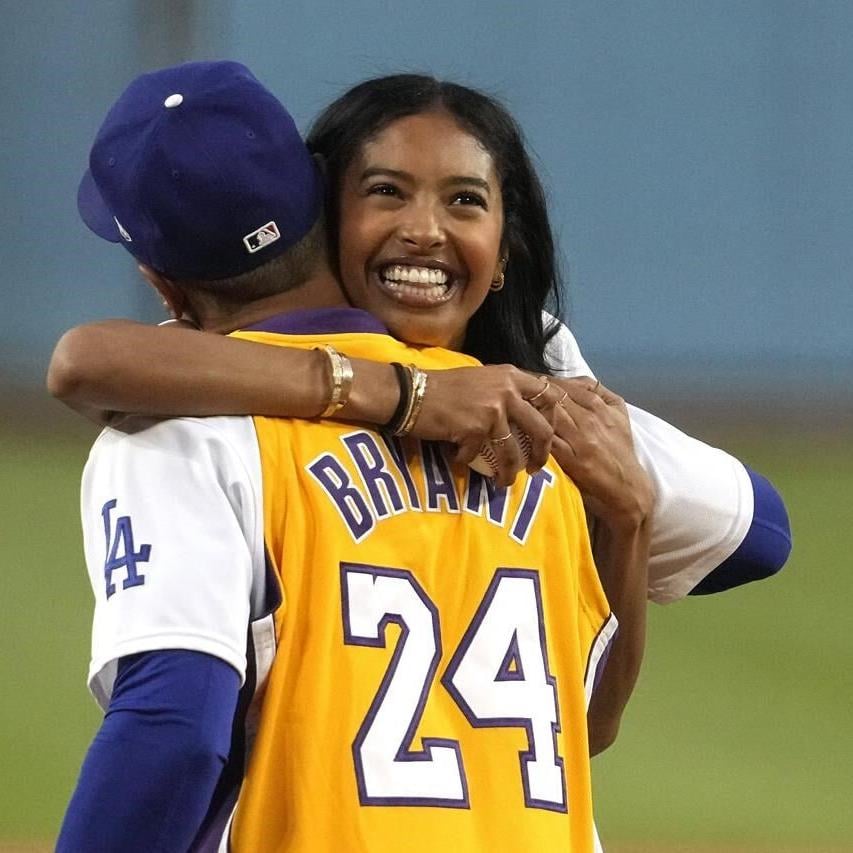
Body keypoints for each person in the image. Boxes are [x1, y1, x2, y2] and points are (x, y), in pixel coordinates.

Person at [56, 60, 630, 853]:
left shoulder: (177, 429)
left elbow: (172, 729)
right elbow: (583, 721)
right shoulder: (521, 422)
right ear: (324, 203)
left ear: (161, 283)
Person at [51, 77, 791, 605]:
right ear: (323, 203)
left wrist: (619, 510)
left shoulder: (531, 368)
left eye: (464, 201)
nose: (423, 230)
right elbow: (87, 361)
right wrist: (409, 396)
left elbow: (755, 530)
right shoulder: (219, 366)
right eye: (385, 192)